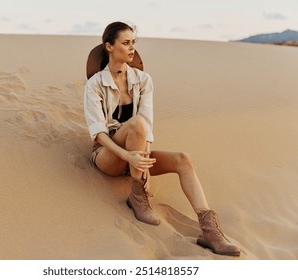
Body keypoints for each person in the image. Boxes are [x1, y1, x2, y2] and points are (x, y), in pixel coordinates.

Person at [83, 21, 240, 257]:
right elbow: (98, 133)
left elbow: (148, 125)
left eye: (134, 42)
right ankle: (137, 197)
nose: (132, 48)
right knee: (135, 123)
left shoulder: (144, 80)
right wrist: (128, 157)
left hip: (136, 156)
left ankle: (209, 229)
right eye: (126, 43)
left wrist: (143, 164)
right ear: (109, 47)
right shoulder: (95, 84)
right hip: (109, 156)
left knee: (182, 159)